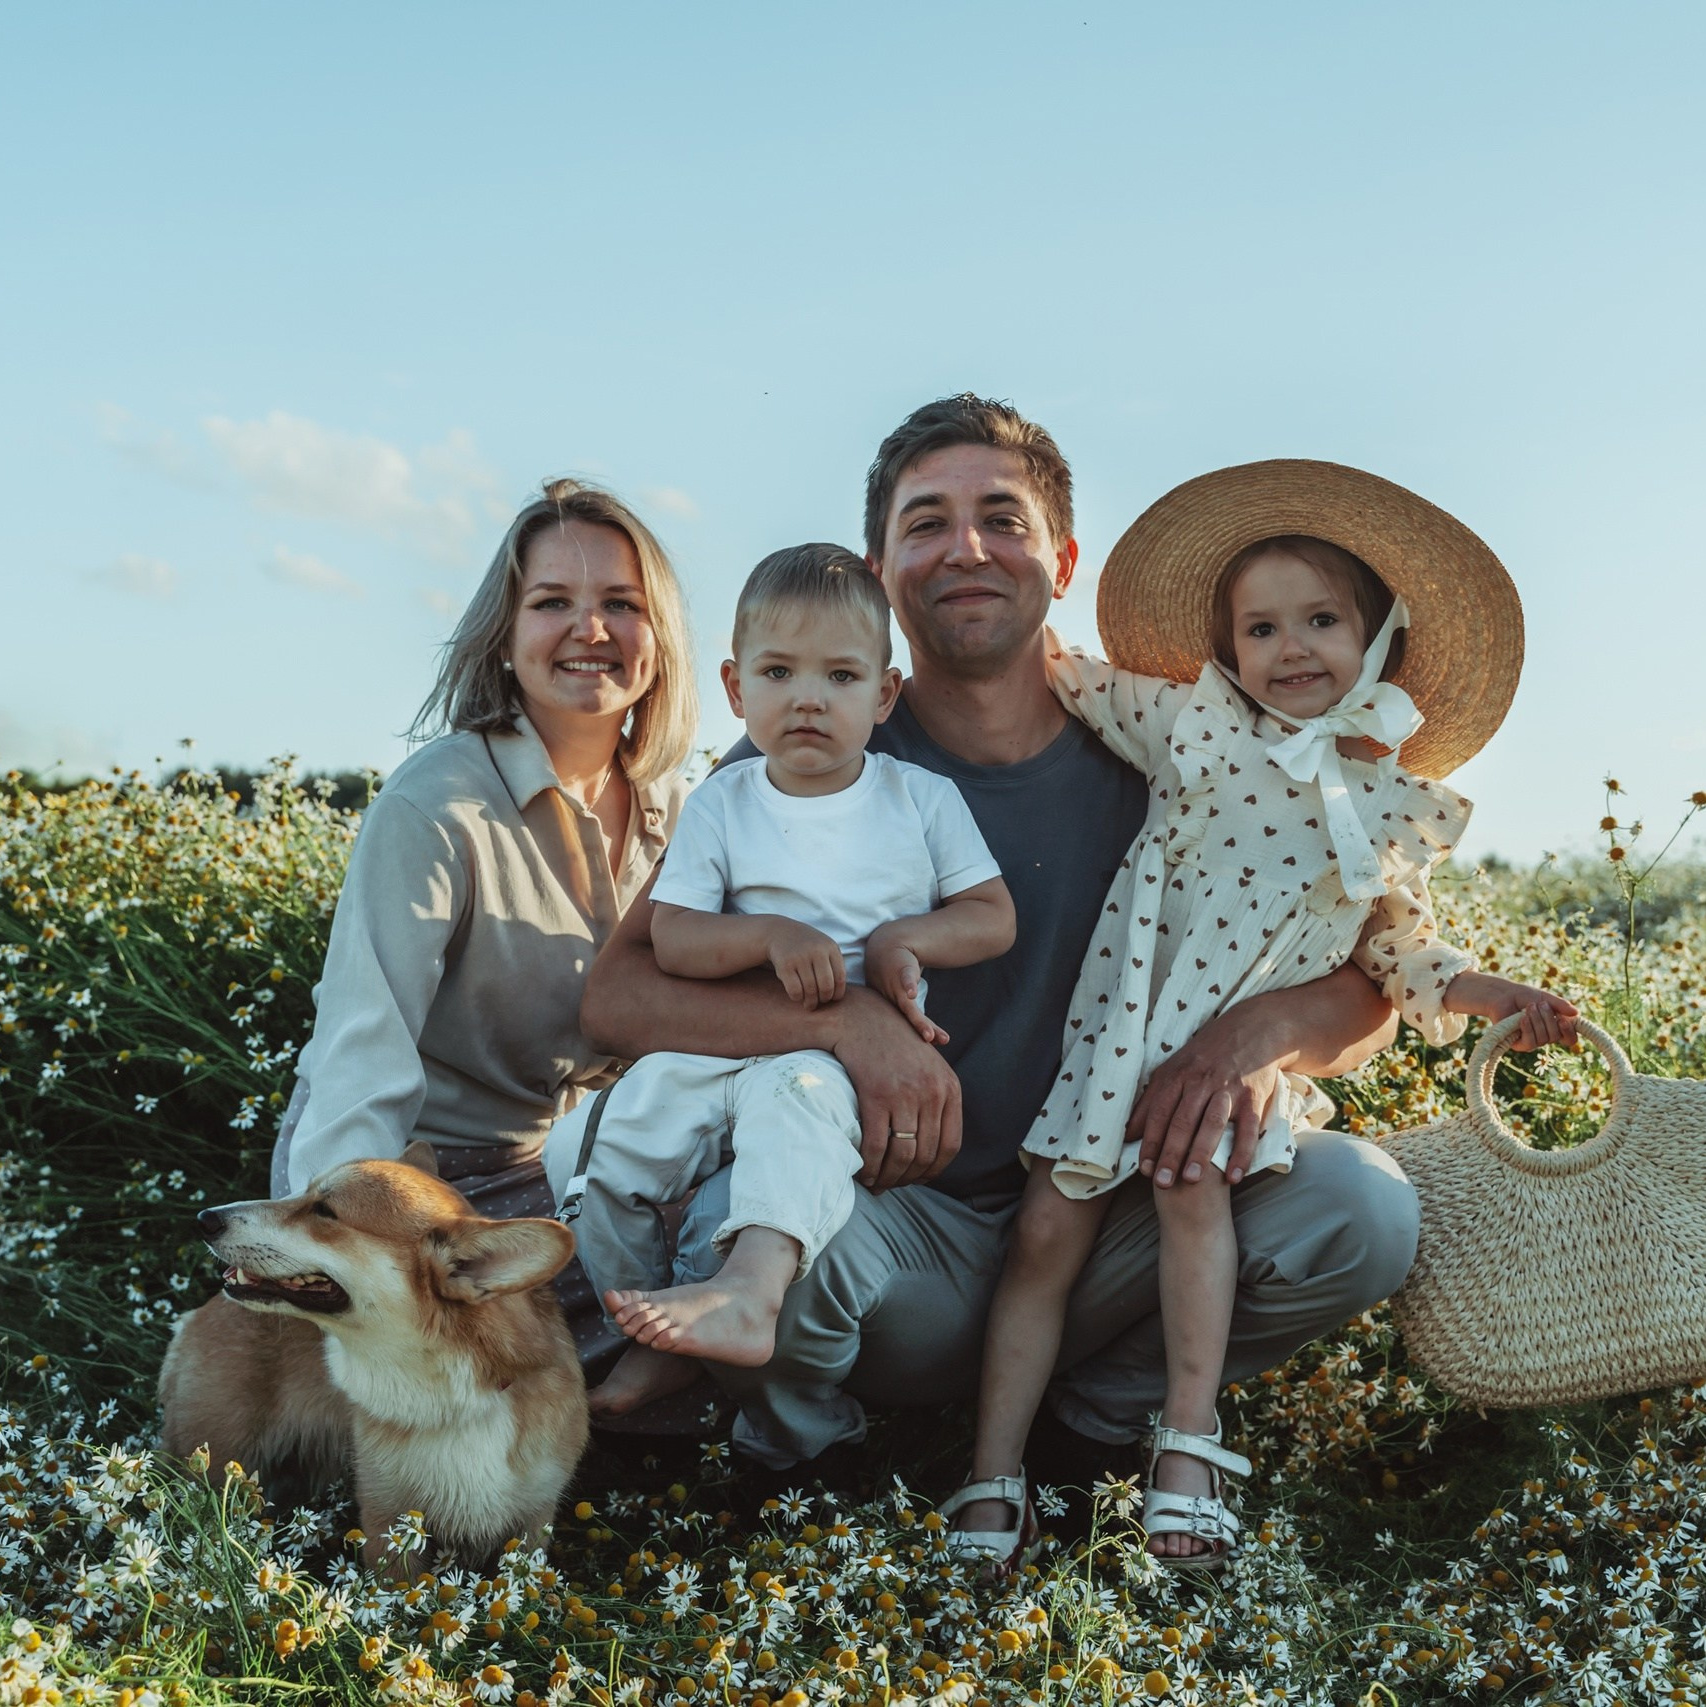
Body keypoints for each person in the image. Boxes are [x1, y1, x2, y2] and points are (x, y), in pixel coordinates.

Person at [579, 396, 1417, 1492]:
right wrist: (846, 1023)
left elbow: (1369, 982)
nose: (966, 549)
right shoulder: (804, 757)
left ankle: (1090, 1423)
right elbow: (618, 997)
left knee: (1360, 1207)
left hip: (1110, 1221)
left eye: (1003, 520)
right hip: (893, 1236)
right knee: (735, 1241)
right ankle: (812, 1458)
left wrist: (1250, 1039)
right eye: (926, 522)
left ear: (1061, 562)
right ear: (880, 572)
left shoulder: (1174, 751)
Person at [951, 471, 1579, 1571]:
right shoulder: (1192, 721)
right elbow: (1070, 675)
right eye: (1261, 628)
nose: (1291, 648)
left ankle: (1183, 1451)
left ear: (1377, 641)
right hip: (1121, 1036)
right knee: (1046, 1234)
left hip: (1230, 1067)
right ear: (1227, 649)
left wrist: (1493, 994)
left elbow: (1397, 949)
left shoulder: (1387, 800)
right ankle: (991, 1468)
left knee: (1195, 1198)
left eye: (1321, 621)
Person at [550, 543, 1014, 1417]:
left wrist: (906, 938)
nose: (808, 697)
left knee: (797, 1111)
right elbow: (674, 938)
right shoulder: (723, 802)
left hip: (834, 1065)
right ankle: (638, 1328)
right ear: (735, 688)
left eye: (841, 675)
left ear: (884, 694)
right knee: (588, 1146)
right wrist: (765, 935)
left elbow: (992, 915)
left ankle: (751, 1293)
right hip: (723, 1040)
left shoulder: (918, 799)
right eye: (778, 672)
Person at [271, 478, 697, 1391]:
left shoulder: (683, 809)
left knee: (732, 1262)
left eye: (622, 604)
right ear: (504, 637)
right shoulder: (435, 803)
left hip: (581, 1169)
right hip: (421, 1175)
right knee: (520, 1364)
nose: (590, 629)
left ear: (659, 638)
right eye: (552, 602)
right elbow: (362, 1051)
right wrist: (333, 1252)